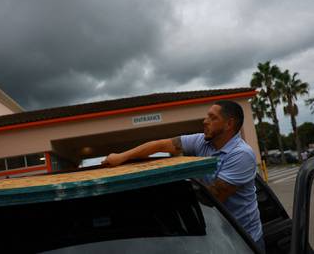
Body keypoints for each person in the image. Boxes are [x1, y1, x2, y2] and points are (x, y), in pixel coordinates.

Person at [102, 100, 265, 252]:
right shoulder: (202, 141)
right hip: (213, 236)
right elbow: (161, 145)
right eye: (207, 116)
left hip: (242, 240)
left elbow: (212, 199)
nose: (205, 121)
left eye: (212, 117)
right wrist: (122, 157)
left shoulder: (241, 154)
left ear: (229, 124)